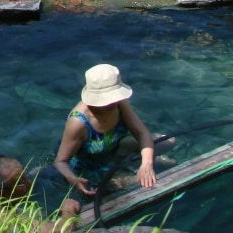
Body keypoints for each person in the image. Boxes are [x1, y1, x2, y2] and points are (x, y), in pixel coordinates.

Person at [53, 63, 167, 197]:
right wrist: (73, 179)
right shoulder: (78, 122)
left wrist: (147, 164)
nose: (113, 103)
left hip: (115, 152)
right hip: (91, 169)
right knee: (142, 184)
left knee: (168, 140)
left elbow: (142, 133)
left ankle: (141, 166)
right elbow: (60, 162)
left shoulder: (119, 104)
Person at [0, 155, 81, 233]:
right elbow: (60, 231)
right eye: (21, 182)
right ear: (2, 193)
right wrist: (68, 210)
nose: (29, 182)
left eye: (25, 175)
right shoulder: (3, 220)